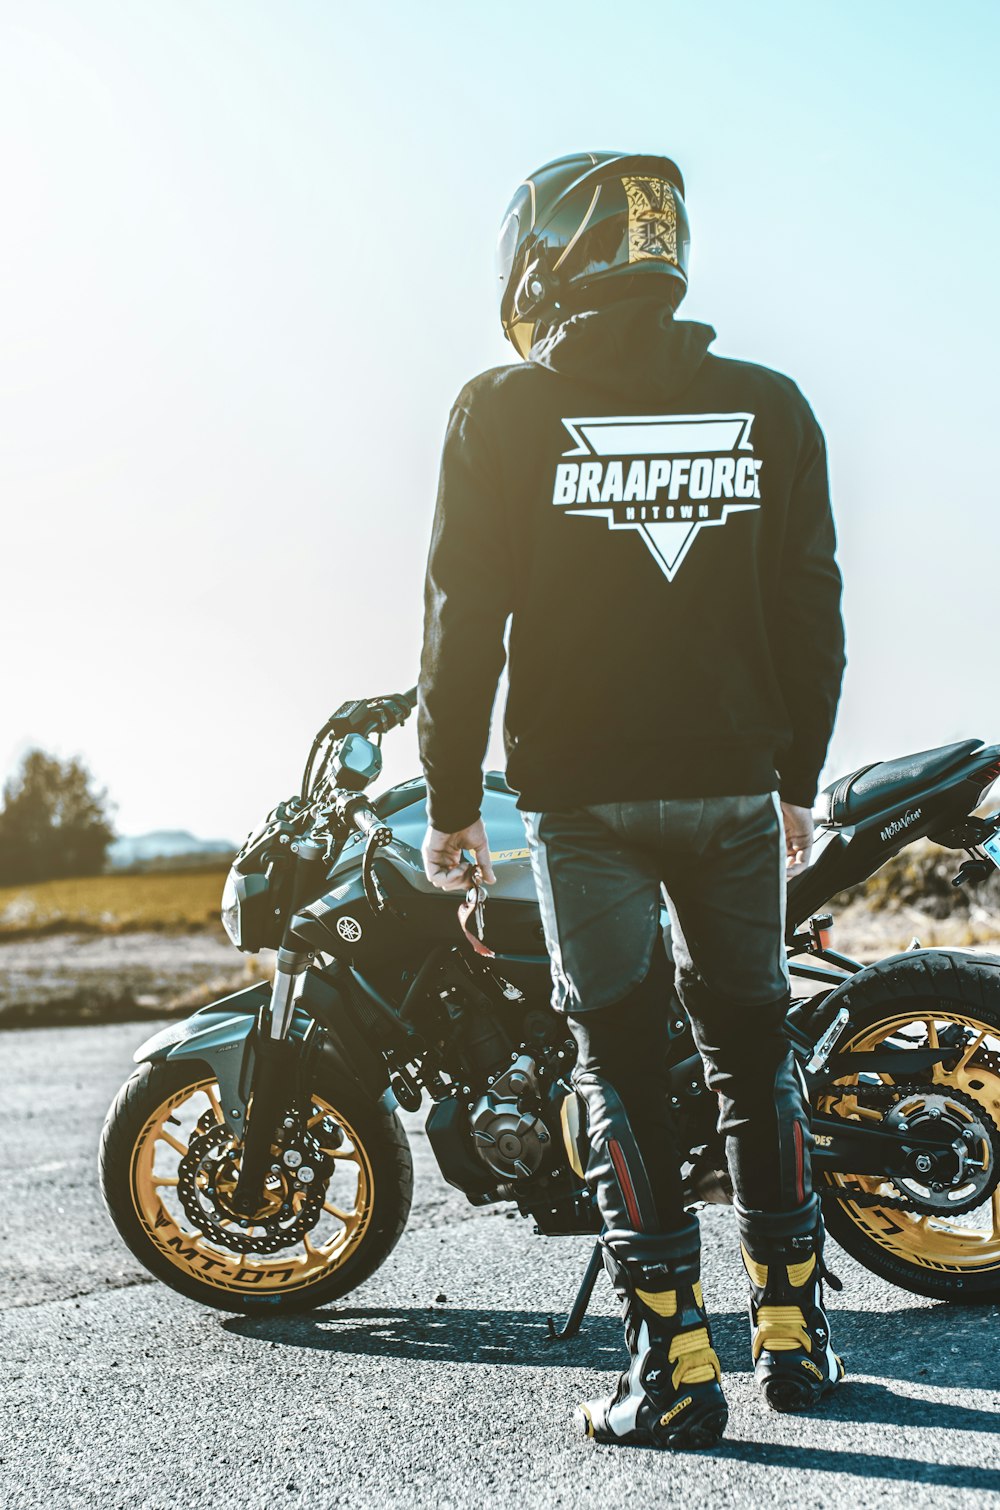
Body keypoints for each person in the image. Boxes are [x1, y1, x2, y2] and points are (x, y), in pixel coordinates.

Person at [417, 152, 847, 1451]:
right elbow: (812, 612)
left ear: (543, 257)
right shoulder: (768, 406)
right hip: (732, 790)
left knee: (621, 1066)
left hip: (584, 803)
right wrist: (797, 780)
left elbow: (459, 625)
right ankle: (797, 1331)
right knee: (756, 1049)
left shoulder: (496, 411)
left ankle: (674, 1368)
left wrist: (448, 800)